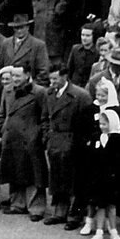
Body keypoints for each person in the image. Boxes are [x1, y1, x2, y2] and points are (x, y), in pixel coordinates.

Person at [0, 63, 49, 222]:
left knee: (34, 173)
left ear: (27, 75)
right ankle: (17, 204)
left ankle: (36, 208)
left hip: (30, 139)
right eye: (12, 76)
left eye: (17, 76)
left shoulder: (40, 92)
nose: (14, 79)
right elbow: (3, 113)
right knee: (15, 170)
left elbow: (45, 116)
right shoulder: (8, 92)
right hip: (12, 138)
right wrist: (3, 130)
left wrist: (38, 135)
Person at [44, 63, 92, 227]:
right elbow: (45, 118)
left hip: (73, 142)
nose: (52, 82)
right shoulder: (49, 93)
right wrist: (47, 137)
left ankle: (75, 215)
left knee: (73, 180)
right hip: (55, 141)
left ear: (65, 77)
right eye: (50, 79)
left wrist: (80, 143)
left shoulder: (80, 95)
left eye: (55, 79)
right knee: (57, 178)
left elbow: (87, 123)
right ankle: (59, 212)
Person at [81, 109, 120, 239]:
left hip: (112, 179)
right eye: (101, 124)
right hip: (98, 177)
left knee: (112, 206)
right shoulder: (97, 137)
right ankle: (99, 232)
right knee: (101, 205)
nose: (102, 127)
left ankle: (113, 231)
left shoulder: (118, 139)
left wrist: (116, 175)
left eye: (105, 124)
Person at [0, 13, 50, 87]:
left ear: (28, 27)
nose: (19, 31)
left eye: (22, 28)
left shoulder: (38, 45)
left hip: (27, 89)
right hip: (7, 87)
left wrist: (31, 87)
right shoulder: (5, 43)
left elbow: (43, 72)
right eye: (16, 28)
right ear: (13, 28)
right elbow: (0, 67)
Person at [33, 0, 73, 66]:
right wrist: (35, 8)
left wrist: (56, 11)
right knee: (39, 51)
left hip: (52, 21)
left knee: (53, 54)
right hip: (39, 20)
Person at [66, 23, 100, 88]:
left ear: (93, 36)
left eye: (88, 36)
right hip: (74, 84)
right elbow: (69, 68)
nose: (84, 38)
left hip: (88, 85)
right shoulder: (75, 49)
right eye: (83, 35)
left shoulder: (97, 52)